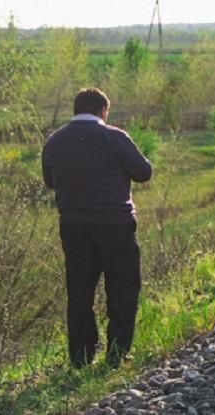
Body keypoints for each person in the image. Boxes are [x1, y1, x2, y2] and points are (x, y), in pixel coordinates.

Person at [42, 87, 152, 368]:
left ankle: (81, 358)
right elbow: (143, 173)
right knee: (123, 287)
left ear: (76, 110)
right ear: (103, 110)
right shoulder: (115, 137)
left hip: (73, 224)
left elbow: (50, 180)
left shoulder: (55, 141)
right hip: (115, 223)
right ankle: (117, 354)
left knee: (79, 290)